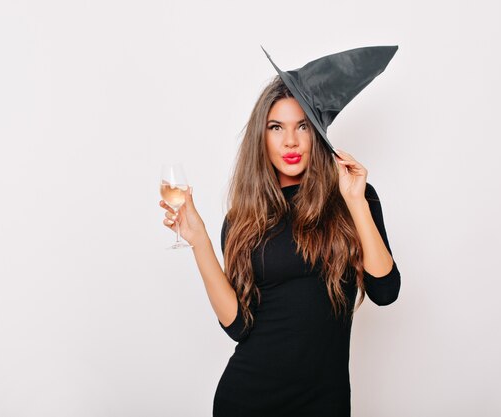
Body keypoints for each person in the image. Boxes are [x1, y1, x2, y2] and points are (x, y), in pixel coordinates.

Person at [159, 51, 401, 416]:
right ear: (262, 136)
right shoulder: (243, 219)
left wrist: (354, 201)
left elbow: (385, 290)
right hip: (248, 400)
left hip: (325, 402)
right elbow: (239, 325)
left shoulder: (354, 199)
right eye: (276, 127)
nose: (290, 141)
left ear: (316, 133)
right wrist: (200, 241)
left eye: (302, 126)